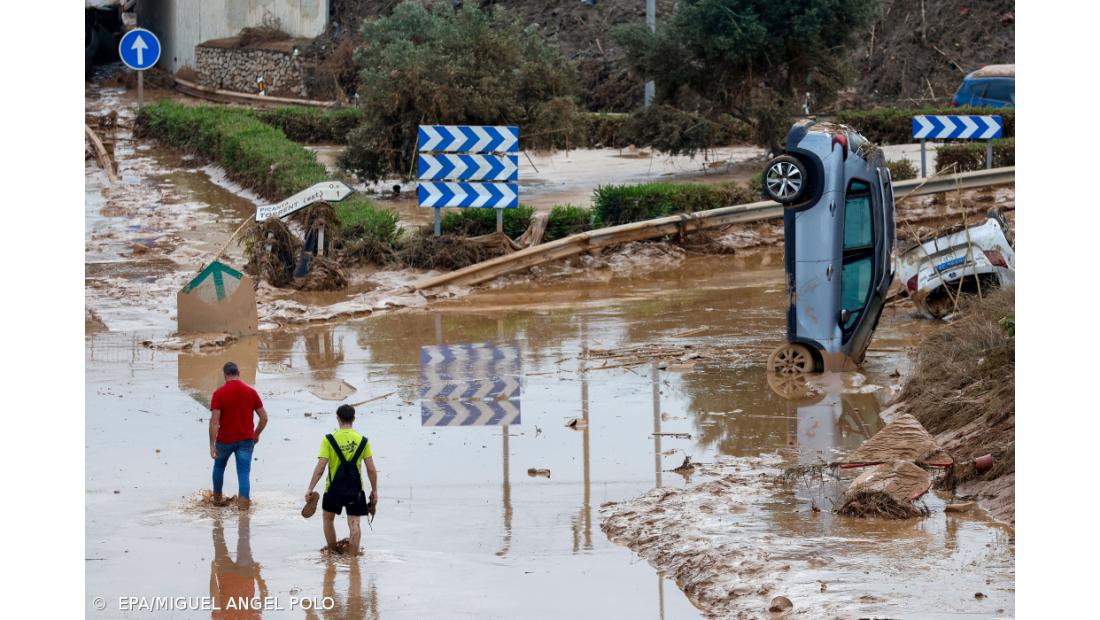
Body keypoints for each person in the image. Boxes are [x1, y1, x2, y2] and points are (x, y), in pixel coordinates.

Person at [306, 405, 378, 554]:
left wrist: (310, 488)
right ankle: (353, 559)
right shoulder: (363, 441)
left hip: (333, 490)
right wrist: (374, 490)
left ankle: (332, 553)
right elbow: (371, 469)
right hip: (355, 491)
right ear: (354, 418)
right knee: (354, 524)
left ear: (337, 418)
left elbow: (320, 468)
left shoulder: (328, 440)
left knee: (328, 520)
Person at [209, 362, 268, 511]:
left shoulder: (219, 394)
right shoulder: (251, 392)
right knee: (243, 473)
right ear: (239, 373)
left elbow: (214, 422)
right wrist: (256, 434)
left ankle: (217, 500)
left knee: (219, 467)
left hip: (224, 440)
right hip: (246, 441)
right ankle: (243, 505)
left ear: (225, 375)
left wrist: (211, 444)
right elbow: (264, 418)